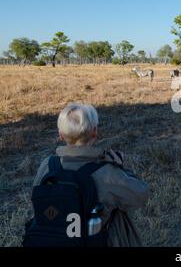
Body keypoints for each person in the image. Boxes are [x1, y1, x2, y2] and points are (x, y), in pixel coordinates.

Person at [31, 103, 151, 246]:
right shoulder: (106, 172)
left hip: (52, 240)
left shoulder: (48, 165)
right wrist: (120, 168)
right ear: (95, 132)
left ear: (61, 135)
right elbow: (141, 194)